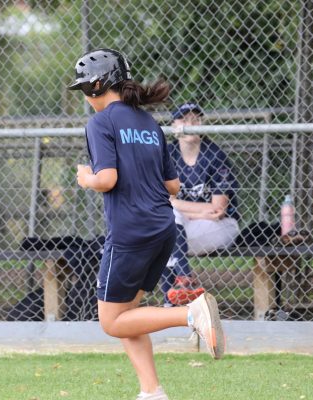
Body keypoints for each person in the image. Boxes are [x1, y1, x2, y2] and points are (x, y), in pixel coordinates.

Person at [69, 48, 225, 400]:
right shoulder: (148, 123)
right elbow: (173, 186)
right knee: (128, 313)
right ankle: (151, 392)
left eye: (85, 90)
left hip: (130, 232)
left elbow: (106, 178)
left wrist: (85, 178)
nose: (86, 99)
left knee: (111, 321)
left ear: (98, 86)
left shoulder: (100, 122)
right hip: (163, 228)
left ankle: (190, 313)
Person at [161, 103, 240, 307]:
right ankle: (184, 281)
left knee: (164, 232)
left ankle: (172, 299)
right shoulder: (167, 155)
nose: (191, 124)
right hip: (184, 225)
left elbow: (218, 210)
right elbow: (159, 201)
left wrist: (176, 204)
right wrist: (198, 210)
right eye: (184, 119)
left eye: (195, 119)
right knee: (164, 224)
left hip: (220, 226)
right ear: (173, 126)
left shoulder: (214, 155)